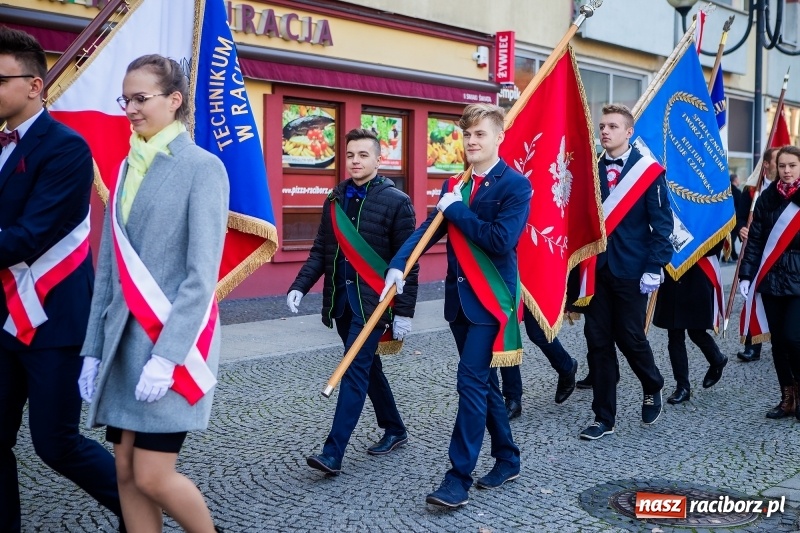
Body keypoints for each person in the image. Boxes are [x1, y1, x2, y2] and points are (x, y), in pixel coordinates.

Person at [77, 54, 229, 532]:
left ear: (175, 100)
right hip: (124, 343)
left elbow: (201, 276)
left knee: (152, 474)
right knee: (125, 472)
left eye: (141, 98)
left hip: (170, 342)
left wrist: (166, 357)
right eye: (126, 99)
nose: (131, 108)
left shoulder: (203, 168)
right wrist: (93, 351)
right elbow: (108, 267)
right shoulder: (126, 166)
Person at [0, 27, 123, 532]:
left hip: (53, 320)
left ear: (34, 85)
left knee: (57, 445)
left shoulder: (67, 148)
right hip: (3, 319)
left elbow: (31, 235)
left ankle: (141, 510)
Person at [382, 103, 531, 509]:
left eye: (480, 134)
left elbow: (500, 240)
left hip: (492, 300)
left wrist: (456, 209)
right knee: (485, 386)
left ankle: (457, 478)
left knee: (469, 383)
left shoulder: (515, 186)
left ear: (499, 136)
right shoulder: (457, 184)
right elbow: (427, 232)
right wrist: (399, 266)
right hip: (459, 304)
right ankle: (507, 457)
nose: (471, 142)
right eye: (467, 135)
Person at [288, 128, 418, 475]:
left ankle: (333, 453)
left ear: (379, 159)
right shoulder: (334, 200)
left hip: (374, 304)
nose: (356, 161)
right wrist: (300, 285)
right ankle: (395, 428)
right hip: (342, 303)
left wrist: (404, 311)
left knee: (353, 371)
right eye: (350, 155)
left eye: (363, 155)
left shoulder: (397, 201)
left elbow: (409, 260)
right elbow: (321, 250)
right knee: (367, 366)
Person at [578, 104, 672, 441]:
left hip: (632, 269)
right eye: (602, 126)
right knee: (597, 342)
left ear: (628, 132)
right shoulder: (590, 170)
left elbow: (663, 225)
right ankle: (603, 416)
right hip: (596, 269)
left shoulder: (649, 171)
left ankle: (652, 382)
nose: (604, 131)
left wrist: (654, 266)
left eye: (612, 126)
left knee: (630, 337)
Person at [739, 145, 800, 420]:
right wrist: (746, 275)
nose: (786, 171)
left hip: (799, 279)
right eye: (783, 166)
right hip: (772, 279)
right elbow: (755, 241)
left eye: (792, 166)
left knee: (793, 337)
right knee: (777, 343)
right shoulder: (766, 198)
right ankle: (787, 398)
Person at [653, 243, 728, 404]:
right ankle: (682, 387)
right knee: (674, 333)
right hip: (672, 272)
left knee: (697, 331)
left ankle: (717, 359)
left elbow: (715, 245)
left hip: (697, 274)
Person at [736, 147, 778, 363]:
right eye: (778, 162)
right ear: (767, 164)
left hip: (781, 253)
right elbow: (740, 217)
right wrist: (741, 228)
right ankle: (753, 346)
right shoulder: (752, 191)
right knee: (754, 296)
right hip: (758, 251)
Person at [500, 307, 578, 419]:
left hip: (529, 289)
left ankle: (566, 366)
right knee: (506, 331)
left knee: (537, 331)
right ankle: (512, 398)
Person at [729, 173, 742, 261]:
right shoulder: (737, 192)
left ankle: (730, 255)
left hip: (728, 218)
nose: (739, 181)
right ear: (735, 180)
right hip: (735, 218)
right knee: (732, 238)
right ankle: (731, 255)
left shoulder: (727, 191)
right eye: (738, 179)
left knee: (731, 238)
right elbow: (740, 206)